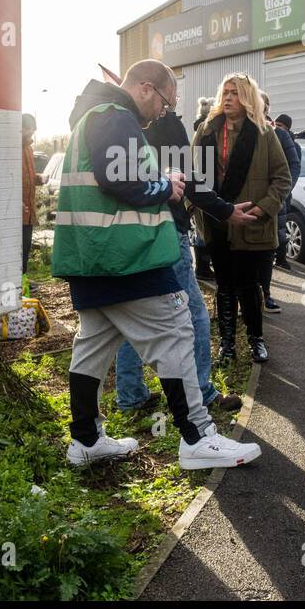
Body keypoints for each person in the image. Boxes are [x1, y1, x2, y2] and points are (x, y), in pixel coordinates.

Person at [52, 60, 261, 469]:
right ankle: (198, 437)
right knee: (177, 333)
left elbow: (110, 177)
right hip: (129, 259)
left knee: (92, 347)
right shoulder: (116, 117)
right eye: (165, 104)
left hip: (91, 259)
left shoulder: (93, 117)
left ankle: (86, 440)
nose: (162, 113)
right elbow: (120, 180)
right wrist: (166, 185)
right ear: (146, 88)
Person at [112, 104, 253, 415]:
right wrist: (226, 209)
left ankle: (130, 396)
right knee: (194, 314)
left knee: (130, 316)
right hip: (165, 233)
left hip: (129, 235)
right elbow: (190, 183)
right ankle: (201, 392)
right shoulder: (166, 123)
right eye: (169, 99)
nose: (170, 104)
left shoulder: (115, 123)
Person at [194, 73, 292, 365]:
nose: (227, 98)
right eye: (224, 92)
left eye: (234, 93)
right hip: (217, 223)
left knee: (249, 286)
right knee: (224, 285)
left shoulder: (263, 133)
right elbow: (194, 177)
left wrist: (261, 208)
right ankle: (226, 345)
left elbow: (282, 178)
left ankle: (255, 340)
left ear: (247, 97)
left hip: (253, 226)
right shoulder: (206, 131)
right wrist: (195, 209)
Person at [258, 92, 300, 311]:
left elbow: (293, 165)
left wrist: (281, 192)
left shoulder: (280, 135)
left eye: (263, 105)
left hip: (274, 203)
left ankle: (265, 293)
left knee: (268, 249)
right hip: (246, 203)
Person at [270, 114, 302, 272]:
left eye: (281, 125)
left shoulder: (292, 146)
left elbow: (295, 166)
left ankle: (280, 257)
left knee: (281, 226)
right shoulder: (271, 136)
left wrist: (286, 187)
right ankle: (275, 257)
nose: (278, 127)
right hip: (276, 191)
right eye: (277, 124)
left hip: (283, 192)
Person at [192, 96, 217, 279]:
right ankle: (202, 267)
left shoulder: (201, 128)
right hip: (205, 183)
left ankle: (203, 265)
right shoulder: (206, 130)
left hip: (202, 181)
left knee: (201, 228)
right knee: (203, 229)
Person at [21, 113, 41, 273]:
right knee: (16, 248)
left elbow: (29, 176)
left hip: (28, 209)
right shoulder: (11, 149)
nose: (31, 133)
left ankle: (24, 279)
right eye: (28, 129)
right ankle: (16, 280)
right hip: (17, 209)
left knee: (26, 246)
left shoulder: (29, 149)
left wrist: (38, 179)